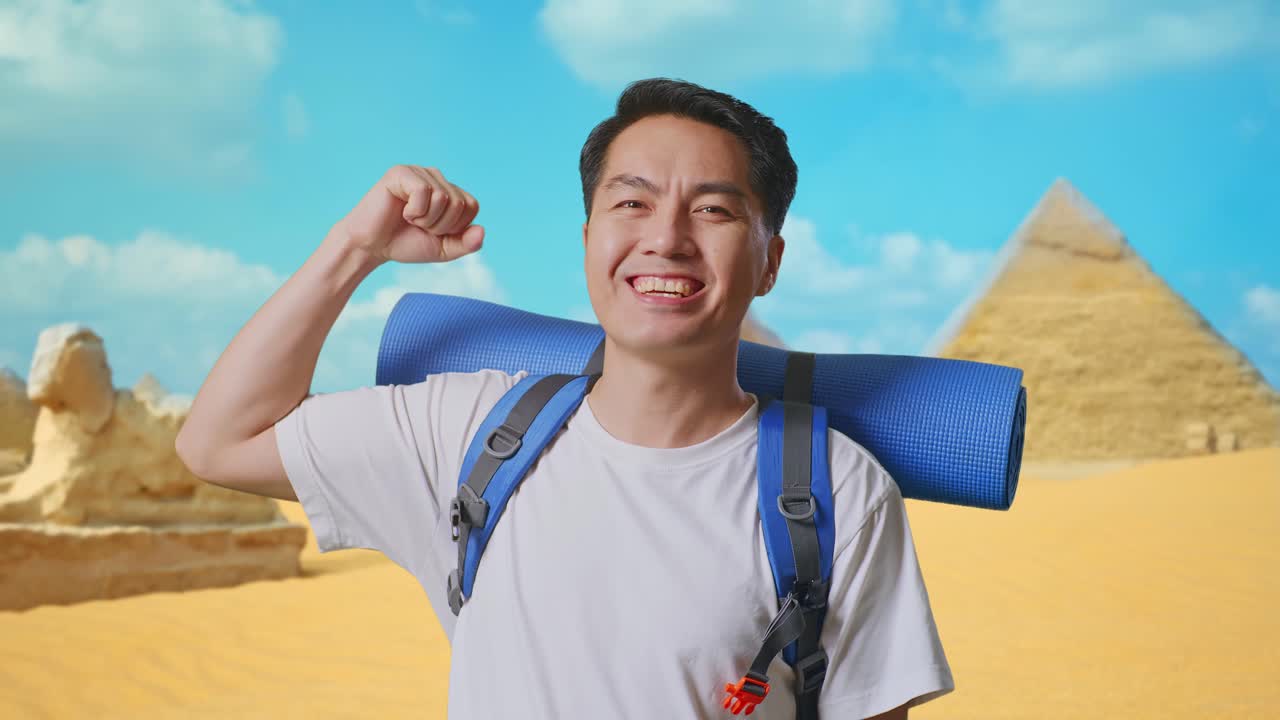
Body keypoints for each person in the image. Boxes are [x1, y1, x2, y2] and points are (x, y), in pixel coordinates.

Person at [175, 77, 954, 719]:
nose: (667, 239)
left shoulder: (839, 493)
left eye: (713, 209)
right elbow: (217, 442)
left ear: (770, 260)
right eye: (632, 203)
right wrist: (354, 249)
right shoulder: (470, 431)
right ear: (587, 238)